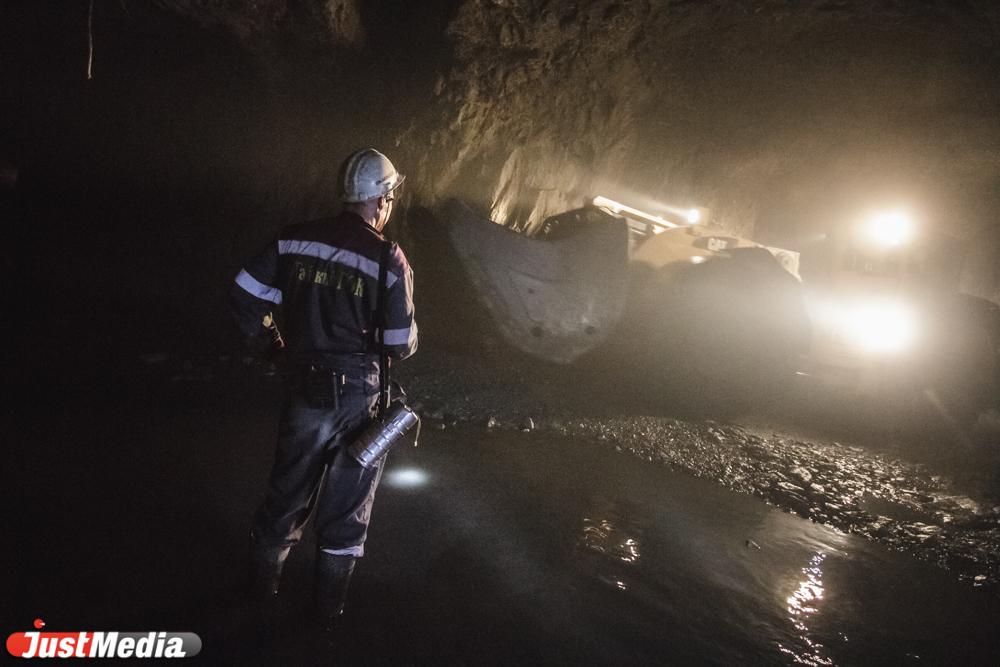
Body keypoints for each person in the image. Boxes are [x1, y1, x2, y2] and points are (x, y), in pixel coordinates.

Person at [229, 148, 417, 629]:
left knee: (287, 493)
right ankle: (325, 617)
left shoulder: (294, 240)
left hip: (305, 386)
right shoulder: (387, 259)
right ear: (381, 199)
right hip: (360, 397)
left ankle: (257, 598)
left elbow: (246, 295)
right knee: (348, 508)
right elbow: (400, 344)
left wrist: (274, 343)